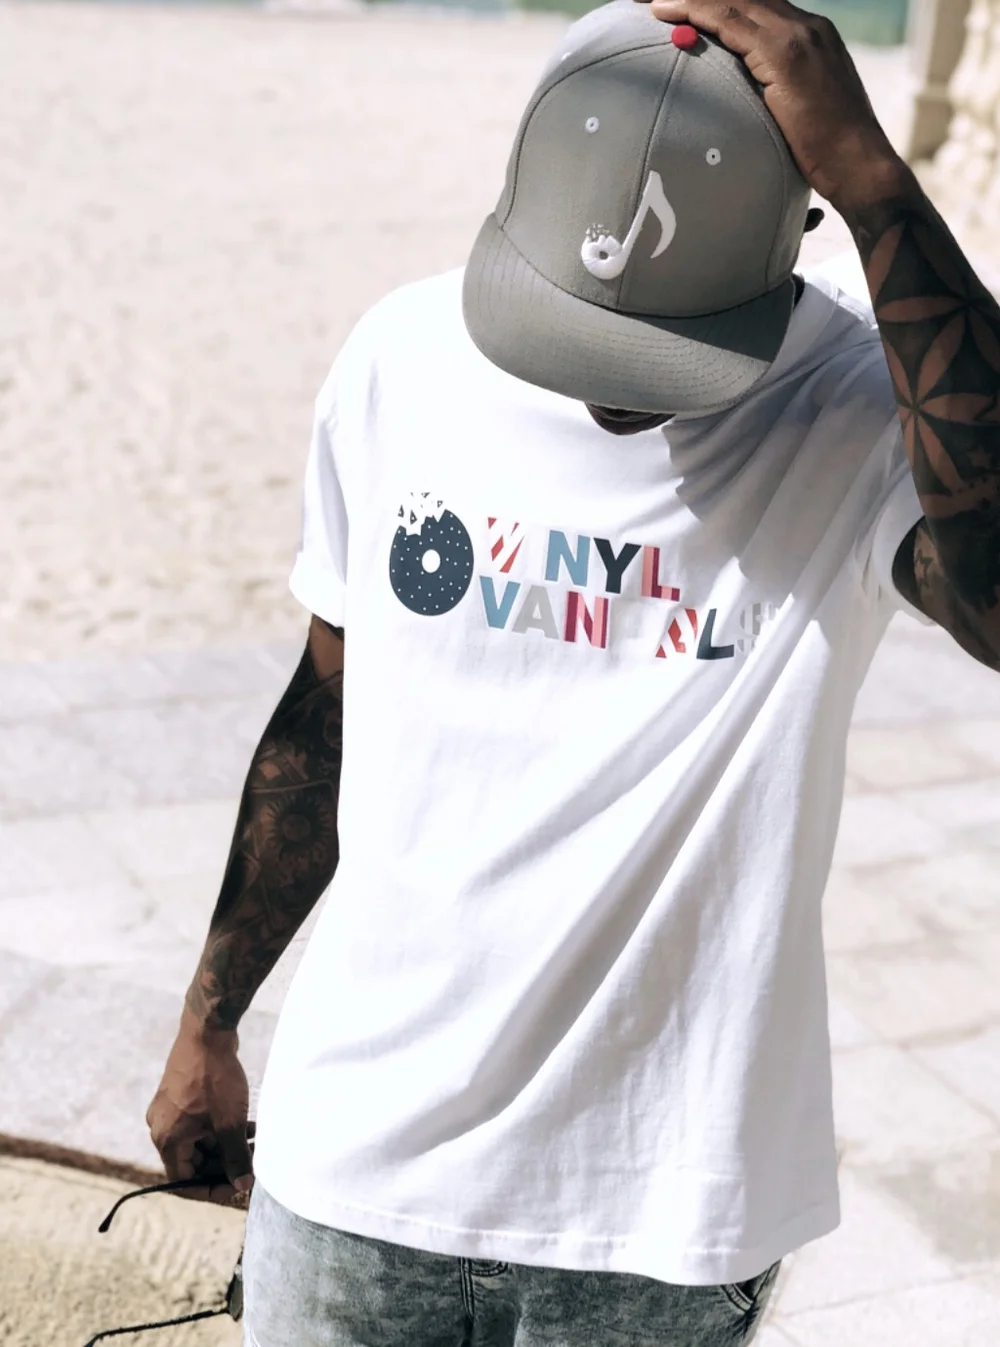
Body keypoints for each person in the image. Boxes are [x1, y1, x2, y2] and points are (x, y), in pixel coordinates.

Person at [147, 1, 1000, 1343]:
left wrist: (877, 181)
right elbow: (328, 713)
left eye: (666, 351)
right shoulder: (400, 359)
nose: (609, 383)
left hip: (655, 1225)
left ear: (802, 236)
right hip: (353, 1177)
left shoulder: (848, 411)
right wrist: (210, 1015)